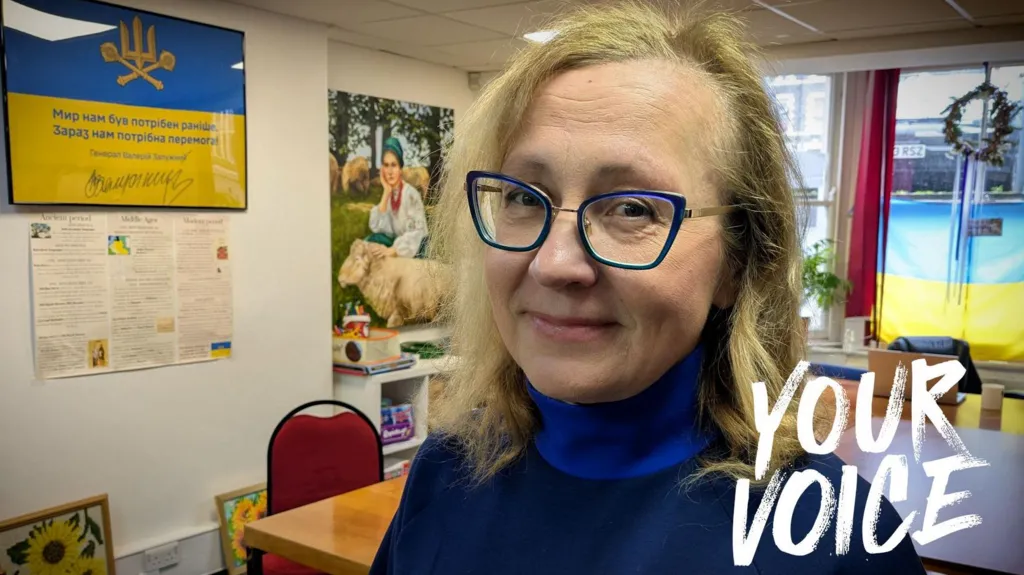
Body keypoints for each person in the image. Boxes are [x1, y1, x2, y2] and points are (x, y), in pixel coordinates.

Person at [370, 3, 925, 574]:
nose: (554, 263)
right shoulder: (445, 470)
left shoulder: (834, 535)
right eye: (522, 197)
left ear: (736, 263)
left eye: (632, 208)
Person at [366, 137, 429, 258]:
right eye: (386, 165)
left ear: (400, 169)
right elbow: (378, 228)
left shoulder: (410, 194)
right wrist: (386, 193)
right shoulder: (389, 194)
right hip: (398, 242)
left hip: (416, 247)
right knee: (371, 240)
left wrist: (393, 250)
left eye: (394, 165)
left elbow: (416, 232)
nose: (390, 171)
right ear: (382, 169)